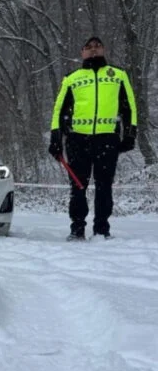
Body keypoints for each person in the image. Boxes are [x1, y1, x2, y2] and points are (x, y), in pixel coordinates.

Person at [48, 36, 138, 241]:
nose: (93, 50)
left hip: (107, 139)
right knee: (78, 185)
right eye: (88, 47)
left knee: (104, 186)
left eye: (97, 46)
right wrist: (55, 138)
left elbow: (129, 107)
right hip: (77, 140)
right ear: (82, 52)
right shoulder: (72, 78)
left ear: (104, 50)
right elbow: (58, 111)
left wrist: (130, 134)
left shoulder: (118, 75)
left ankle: (102, 229)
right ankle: (77, 228)